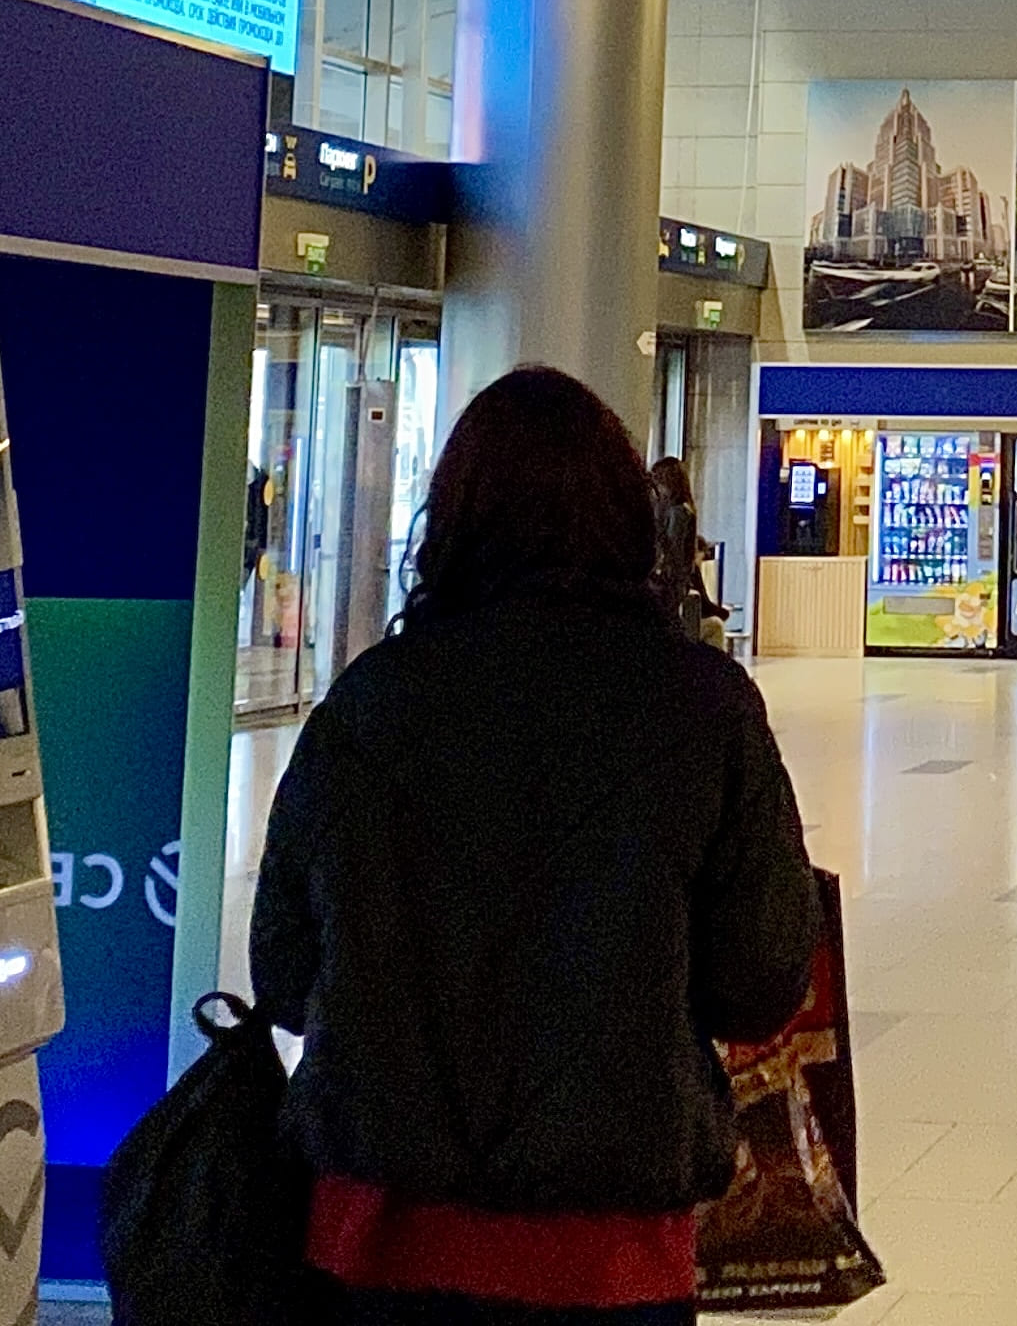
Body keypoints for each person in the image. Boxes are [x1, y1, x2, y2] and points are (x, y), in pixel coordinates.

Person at [252, 365, 819, 1326]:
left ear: (450, 518)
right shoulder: (703, 708)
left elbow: (283, 970)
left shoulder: (372, 701)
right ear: (631, 522)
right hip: (609, 1247)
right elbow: (760, 979)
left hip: (382, 1232)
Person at [648, 455, 720, 644]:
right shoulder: (685, 509)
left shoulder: (677, 512)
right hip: (677, 584)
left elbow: (673, 551)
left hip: (670, 585)